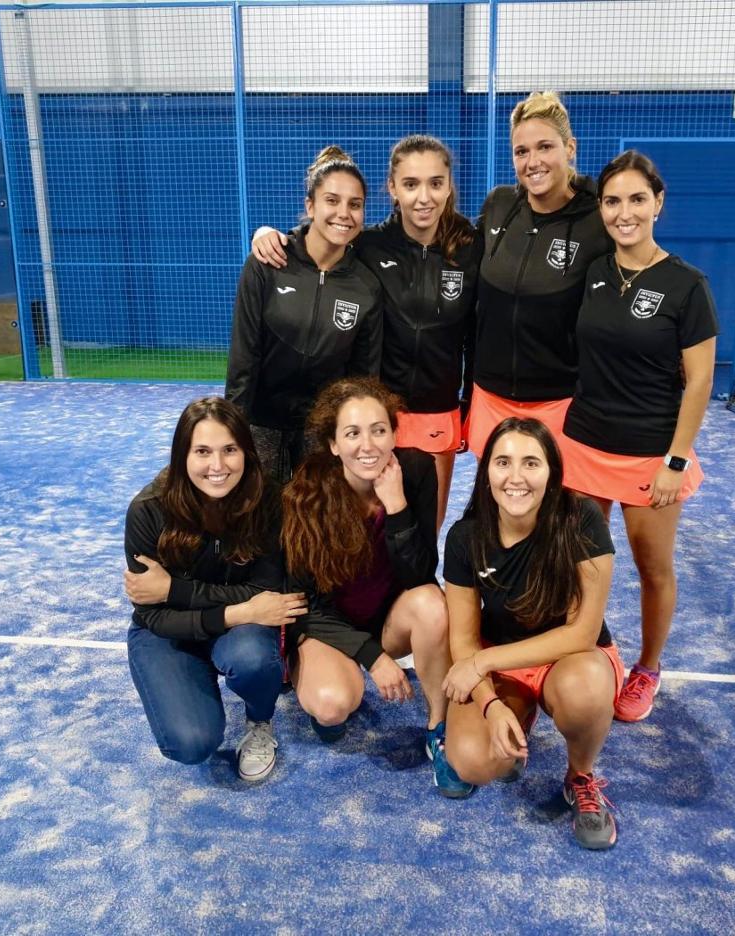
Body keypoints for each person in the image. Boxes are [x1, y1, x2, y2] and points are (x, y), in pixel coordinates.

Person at [251, 135, 481, 529]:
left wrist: (467, 402)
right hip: (379, 414)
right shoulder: (369, 244)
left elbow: (476, 334)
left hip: (438, 414)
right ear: (392, 188)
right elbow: (322, 237)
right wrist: (273, 236)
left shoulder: (470, 248)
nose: (423, 197)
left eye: (435, 183)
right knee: (368, 528)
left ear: (449, 186)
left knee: (425, 530)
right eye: (410, 184)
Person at [560, 150, 718, 722]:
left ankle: (647, 668)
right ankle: (597, 647)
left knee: (653, 567)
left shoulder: (685, 286)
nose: (624, 212)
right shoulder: (594, 269)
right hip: (582, 444)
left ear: (658, 204)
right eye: (612, 201)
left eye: (636, 199)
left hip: (651, 451)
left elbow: (699, 380)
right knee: (579, 561)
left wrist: (675, 461)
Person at [281, 376, 474, 797]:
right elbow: (305, 604)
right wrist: (372, 658)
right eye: (352, 433)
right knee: (332, 707)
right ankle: (309, 671)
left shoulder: (416, 470)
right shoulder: (307, 495)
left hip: (388, 618)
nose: (367, 445)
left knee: (430, 603)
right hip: (326, 625)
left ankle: (438, 727)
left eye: (378, 430)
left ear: (392, 434)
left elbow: (420, 575)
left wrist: (397, 505)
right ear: (333, 445)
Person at [440, 418, 623, 850]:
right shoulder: (465, 537)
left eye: (531, 463)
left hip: (571, 658)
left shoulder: (582, 520)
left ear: (552, 472)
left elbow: (583, 632)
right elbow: (464, 640)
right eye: (502, 462)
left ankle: (579, 775)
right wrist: (490, 706)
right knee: (471, 763)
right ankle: (519, 712)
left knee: (586, 692)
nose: (516, 477)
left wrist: (482, 663)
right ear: (486, 473)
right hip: (503, 656)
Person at [124, 397, 309, 782]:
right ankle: (195, 678)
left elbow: (268, 591)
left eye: (230, 450)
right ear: (182, 456)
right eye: (203, 451)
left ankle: (260, 723)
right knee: (191, 744)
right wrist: (239, 612)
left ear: (247, 451)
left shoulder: (270, 501)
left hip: (239, 632)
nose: (218, 466)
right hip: (169, 632)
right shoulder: (148, 509)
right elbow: (151, 612)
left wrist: (173, 589)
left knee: (252, 658)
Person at [465, 90, 613, 455]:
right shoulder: (499, 206)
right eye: (521, 151)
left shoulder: (599, 219)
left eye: (545, 147)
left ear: (570, 148)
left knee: (568, 513)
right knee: (499, 508)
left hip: (562, 403)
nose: (533, 161)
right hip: (491, 397)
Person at [226, 146, 383, 483]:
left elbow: (361, 377)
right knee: (260, 518)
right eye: (332, 200)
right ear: (310, 205)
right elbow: (243, 356)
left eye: (355, 205)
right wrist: (233, 431)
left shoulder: (366, 286)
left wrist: (350, 435)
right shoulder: (268, 263)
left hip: (321, 430)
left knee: (315, 523)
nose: (344, 213)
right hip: (261, 422)